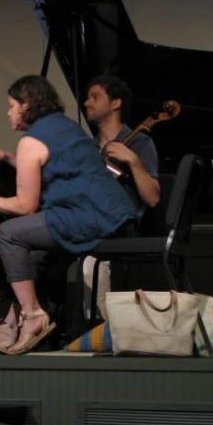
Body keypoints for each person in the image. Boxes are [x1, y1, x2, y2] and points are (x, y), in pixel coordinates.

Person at [0, 75, 135, 355]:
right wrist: (4, 156)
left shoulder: (31, 141)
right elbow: (48, 159)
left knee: (10, 234)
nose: (8, 111)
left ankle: (34, 315)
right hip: (114, 213)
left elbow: (25, 206)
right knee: (32, 251)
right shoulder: (63, 126)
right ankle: (11, 324)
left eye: (11, 105)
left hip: (90, 218)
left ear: (26, 105)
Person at [82, 74, 160, 319]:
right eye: (87, 97)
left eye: (95, 97)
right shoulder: (87, 148)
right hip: (85, 223)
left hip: (120, 227)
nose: (86, 103)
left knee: (87, 263)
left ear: (115, 103)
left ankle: (104, 328)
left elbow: (153, 198)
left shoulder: (139, 143)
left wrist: (133, 161)